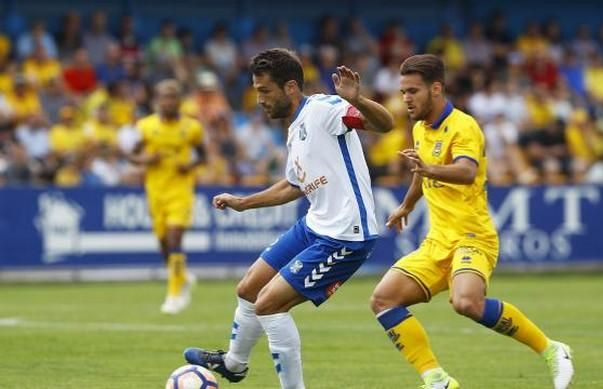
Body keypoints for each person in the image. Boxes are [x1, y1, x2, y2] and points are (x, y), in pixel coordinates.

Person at [184, 48, 393, 389]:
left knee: (268, 305)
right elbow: (292, 186)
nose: (259, 99)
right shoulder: (295, 129)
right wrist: (244, 202)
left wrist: (360, 100)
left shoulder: (326, 109)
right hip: (315, 225)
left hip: (345, 234)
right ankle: (234, 364)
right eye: (256, 91)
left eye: (265, 91)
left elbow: (385, 124)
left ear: (291, 87)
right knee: (249, 288)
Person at [369, 54, 575, 389]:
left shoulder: (464, 126)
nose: (405, 98)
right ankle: (436, 379)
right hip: (438, 241)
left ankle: (552, 349)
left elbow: (466, 172)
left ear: (436, 88)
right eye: (403, 91)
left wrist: (428, 169)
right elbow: (422, 174)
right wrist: (406, 206)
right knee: (383, 299)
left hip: (472, 237)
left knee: (466, 303)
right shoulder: (420, 127)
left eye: (412, 91)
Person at [129, 79, 206, 314]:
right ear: (157, 101)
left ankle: (175, 294)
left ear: (179, 101)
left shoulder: (191, 127)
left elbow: (202, 156)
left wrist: (190, 166)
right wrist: (146, 160)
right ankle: (181, 275)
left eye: (172, 97)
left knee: (174, 239)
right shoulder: (146, 126)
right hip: (155, 191)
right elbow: (132, 155)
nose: (168, 101)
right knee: (163, 243)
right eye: (164, 97)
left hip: (180, 191)